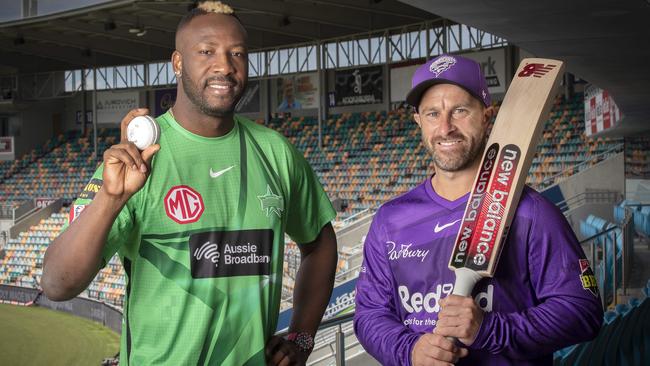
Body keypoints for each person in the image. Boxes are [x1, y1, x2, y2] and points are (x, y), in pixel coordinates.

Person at [42, 2, 338, 365]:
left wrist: (301, 338)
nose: (224, 66)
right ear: (178, 63)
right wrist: (110, 198)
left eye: (237, 54)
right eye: (206, 51)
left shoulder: (276, 152)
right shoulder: (139, 156)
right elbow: (57, 284)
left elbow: (320, 242)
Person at [353, 54, 603, 365]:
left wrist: (490, 329)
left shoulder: (533, 214)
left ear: (486, 115)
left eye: (459, 111)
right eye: (432, 114)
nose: (445, 128)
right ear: (418, 121)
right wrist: (410, 350)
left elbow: (583, 312)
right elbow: (370, 315)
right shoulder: (390, 220)